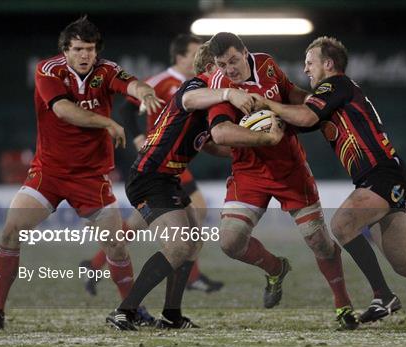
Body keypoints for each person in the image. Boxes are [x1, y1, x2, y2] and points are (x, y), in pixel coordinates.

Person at [251, 36, 406, 331]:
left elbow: (303, 116)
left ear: (328, 64)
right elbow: (300, 116)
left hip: (382, 174)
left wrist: (265, 102)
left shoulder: (335, 84)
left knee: (342, 224)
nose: (306, 69)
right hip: (384, 175)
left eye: (310, 62)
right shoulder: (333, 95)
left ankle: (382, 295)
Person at [0, 16, 163, 330]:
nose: (84, 55)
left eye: (89, 49)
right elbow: (63, 110)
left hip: (90, 177)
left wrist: (144, 92)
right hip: (48, 173)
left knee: (115, 245)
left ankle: (131, 310)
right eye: (78, 49)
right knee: (10, 232)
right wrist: (107, 122)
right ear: (65, 50)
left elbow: (131, 83)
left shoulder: (106, 70)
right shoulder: (48, 70)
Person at [106, 43, 279, 330]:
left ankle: (171, 315)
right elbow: (188, 100)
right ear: (211, 69)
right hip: (149, 178)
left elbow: (209, 144)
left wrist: (245, 148)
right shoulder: (194, 87)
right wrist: (229, 92)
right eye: (223, 66)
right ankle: (125, 311)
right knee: (178, 246)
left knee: (193, 244)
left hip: (167, 179)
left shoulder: (210, 103)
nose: (230, 72)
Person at [205, 32, 358, 330]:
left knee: (320, 242)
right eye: (223, 64)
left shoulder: (266, 64)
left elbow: (291, 94)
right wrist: (265, 137)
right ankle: (275, 268)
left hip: (290, 168)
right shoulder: (221, 85)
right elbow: (220, 134)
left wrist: (321, 105)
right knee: (230, 242)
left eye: (234, 61)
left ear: (245, 52)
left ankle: (343, 305)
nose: (230, 69)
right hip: (249, 171)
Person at [80, 34, 223, 295]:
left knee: (141, 223)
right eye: (195, 54)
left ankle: (95, 264)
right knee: (194, 212)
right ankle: (190, 277)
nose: (201, 60)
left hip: (175, 163)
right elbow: (126, 110)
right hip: (159, 162)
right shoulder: (162, 81)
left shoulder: (199, 85)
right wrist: (138, 139)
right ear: (180, 57)